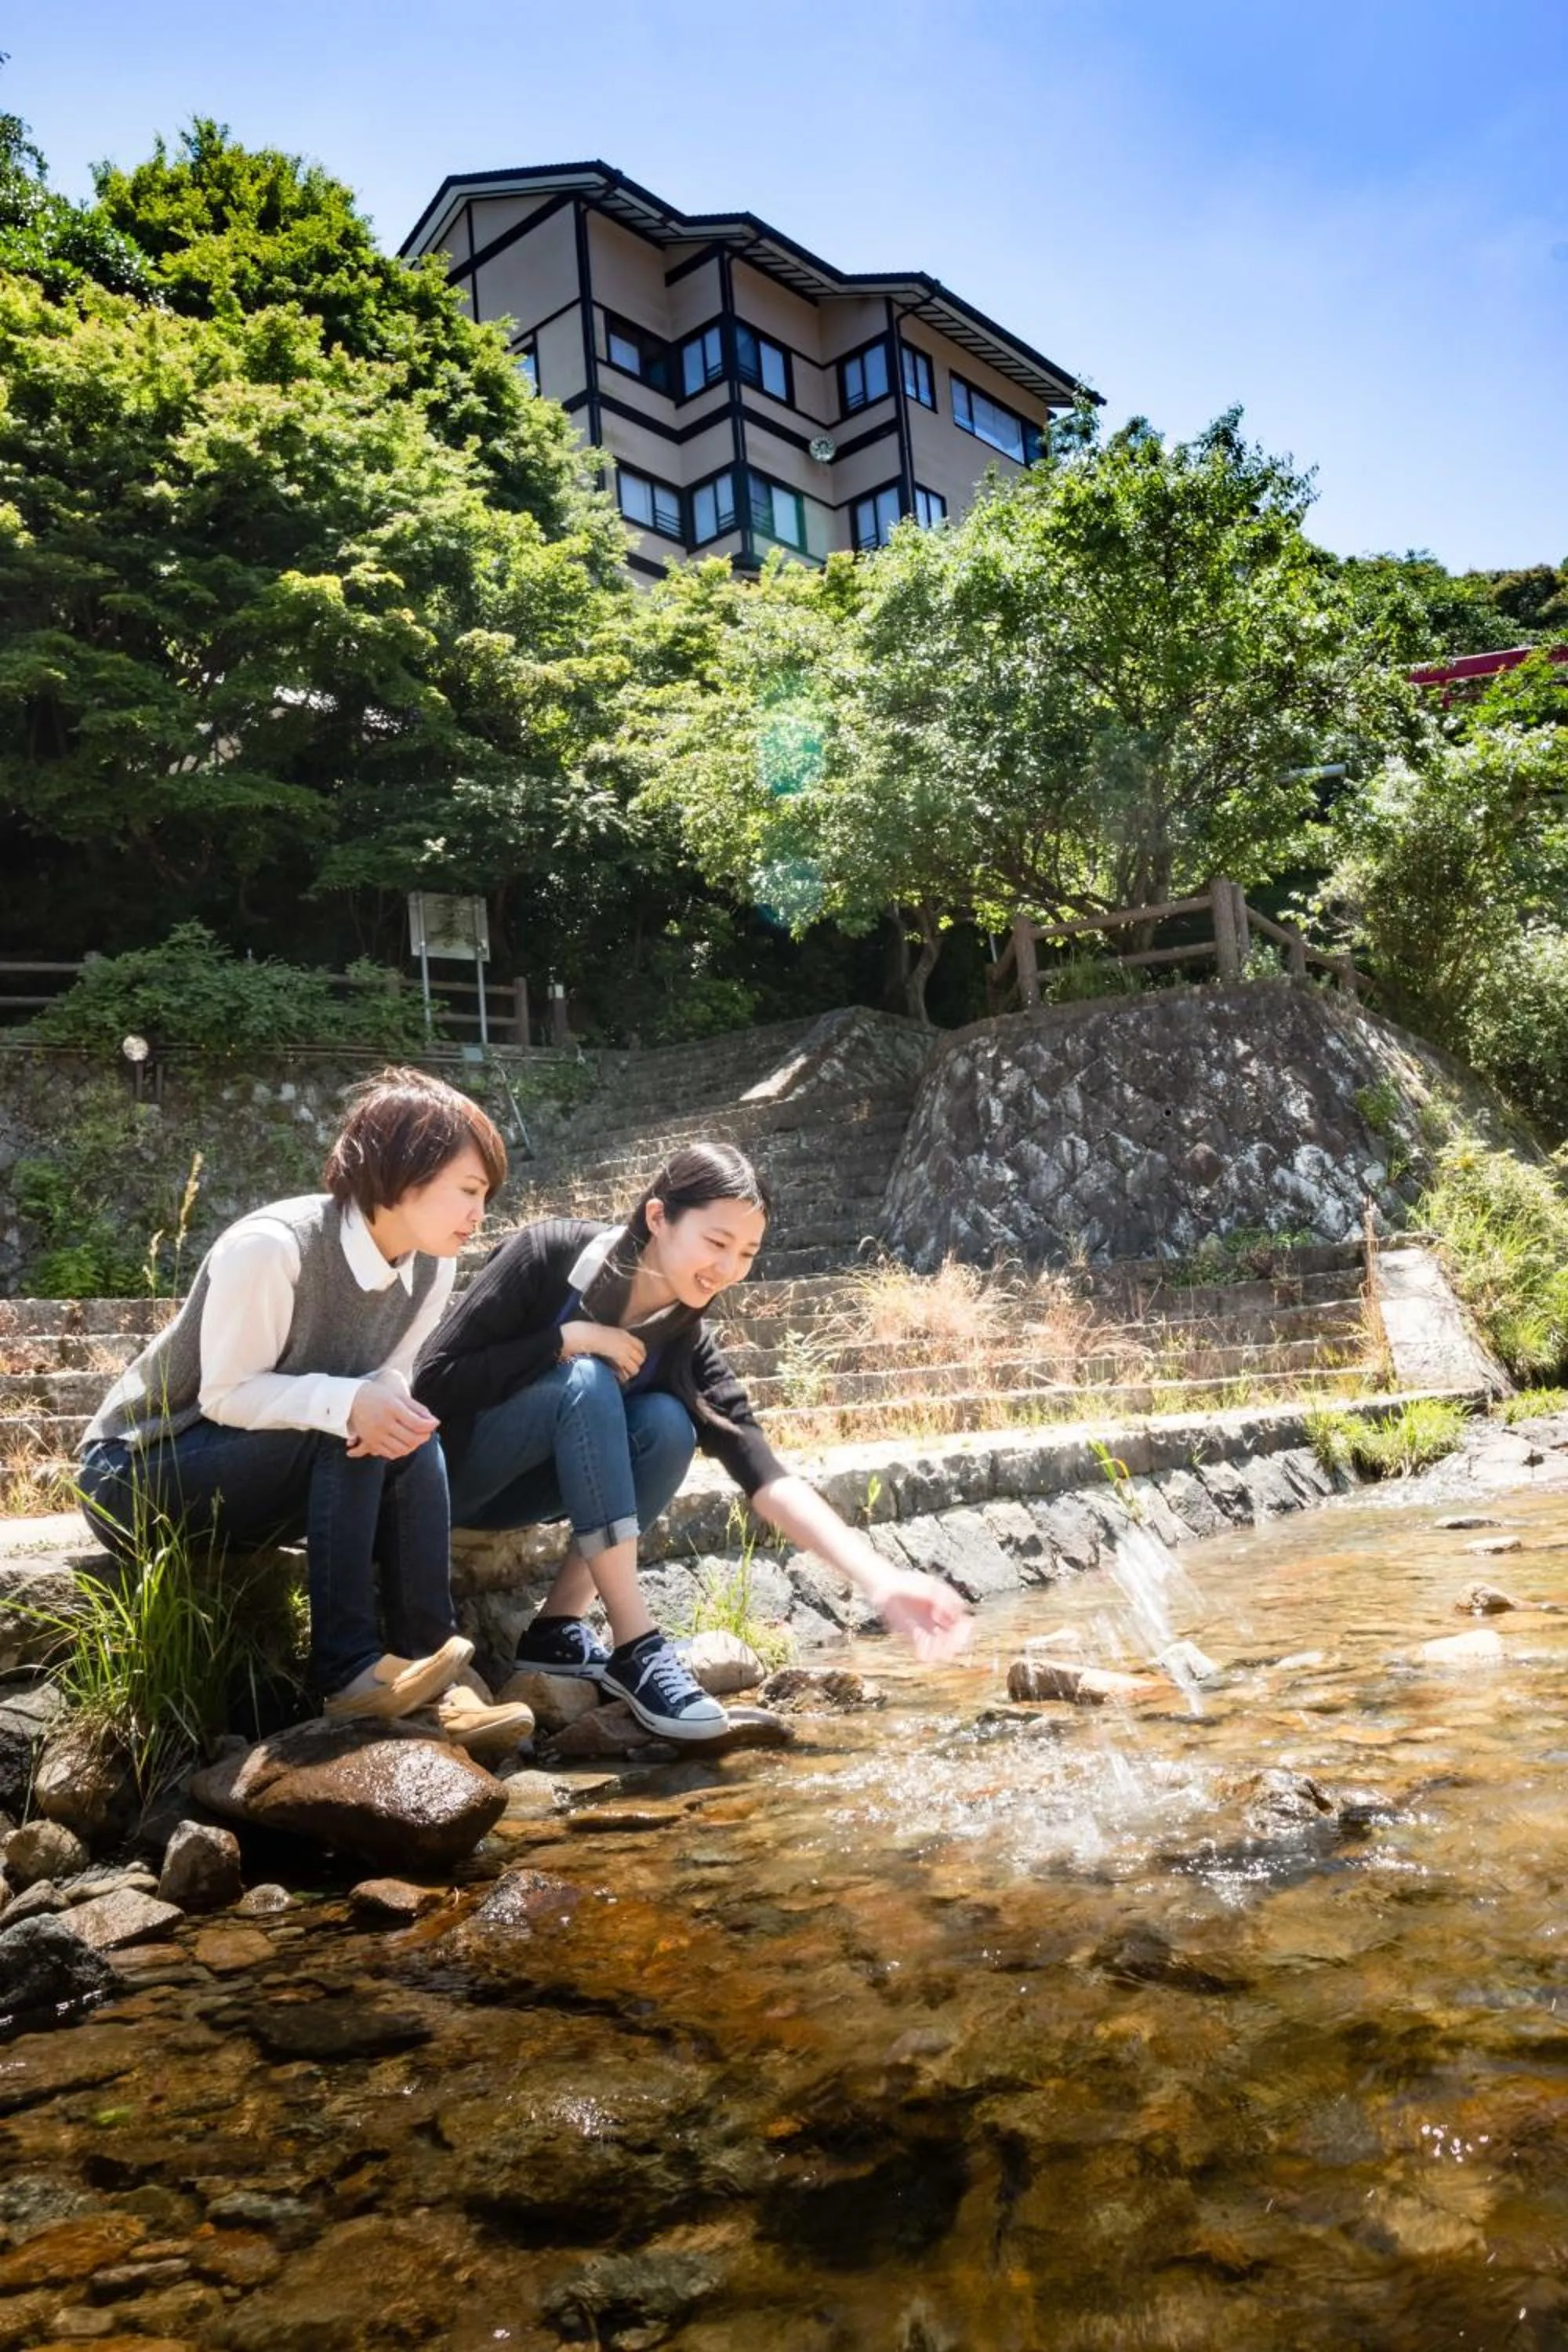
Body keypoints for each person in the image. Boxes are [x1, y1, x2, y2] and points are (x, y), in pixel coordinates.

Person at [412, 1141, 972, 1743]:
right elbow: (432, 1383)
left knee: (668, 1425)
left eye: (747, 1253)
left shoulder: (684, 1343)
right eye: (716, 1242)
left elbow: (764, 1472)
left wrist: (880, 1579)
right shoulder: (549, 1255)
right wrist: (567, 1340)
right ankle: (636, 1645)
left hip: (526, 1497)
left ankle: (555, 1631)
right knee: (586, 1377)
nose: (728, 1268)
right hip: (449, 1477)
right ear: (658, 1217)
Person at [78, 1066, 530, 1751]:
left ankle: (432, 1669)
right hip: (141, 1470)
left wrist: (369, 1407)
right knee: (350, 1420)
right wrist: (350, 1404)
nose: (479, 1215)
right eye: (469, 1191)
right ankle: (347, 1671)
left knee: (405, 1432)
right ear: (404, 1174)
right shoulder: (274, 1247)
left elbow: (390, 1384)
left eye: (485, 1197)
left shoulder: (432, 1265)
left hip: (263, 1473)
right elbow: (224, 1395)